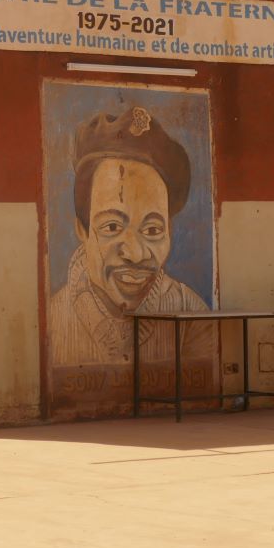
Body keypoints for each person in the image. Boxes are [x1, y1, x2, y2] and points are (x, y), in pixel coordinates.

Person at [48, 105, 211, 366]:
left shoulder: (192, 317)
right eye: (112, 227)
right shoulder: (52, 322)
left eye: (152, 230)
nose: (135, 254)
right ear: (82, 229)